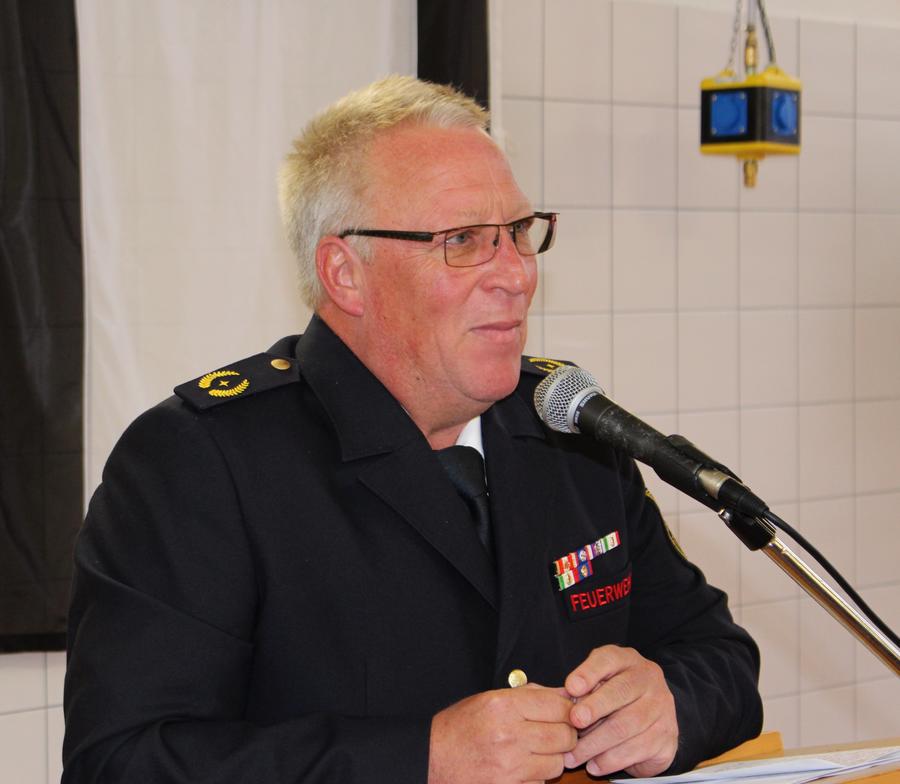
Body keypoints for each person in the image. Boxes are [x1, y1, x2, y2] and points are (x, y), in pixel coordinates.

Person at [63, 76, 762, 784]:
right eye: (463, 240)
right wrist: (420, 759)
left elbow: (719, 656)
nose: (516, 276)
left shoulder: (566, 427)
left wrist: (669, 705)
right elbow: (121, 763)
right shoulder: (201, 461)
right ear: (345, 273)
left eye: (519, 232)